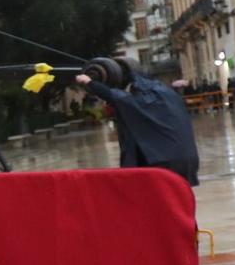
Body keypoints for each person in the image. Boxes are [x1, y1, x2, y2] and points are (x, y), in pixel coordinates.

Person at [75, 56, 201, 187]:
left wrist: (90, 83)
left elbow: (118, 98)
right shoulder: (166, 93)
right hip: (186, 161)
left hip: (163, 164)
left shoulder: (141, 100)